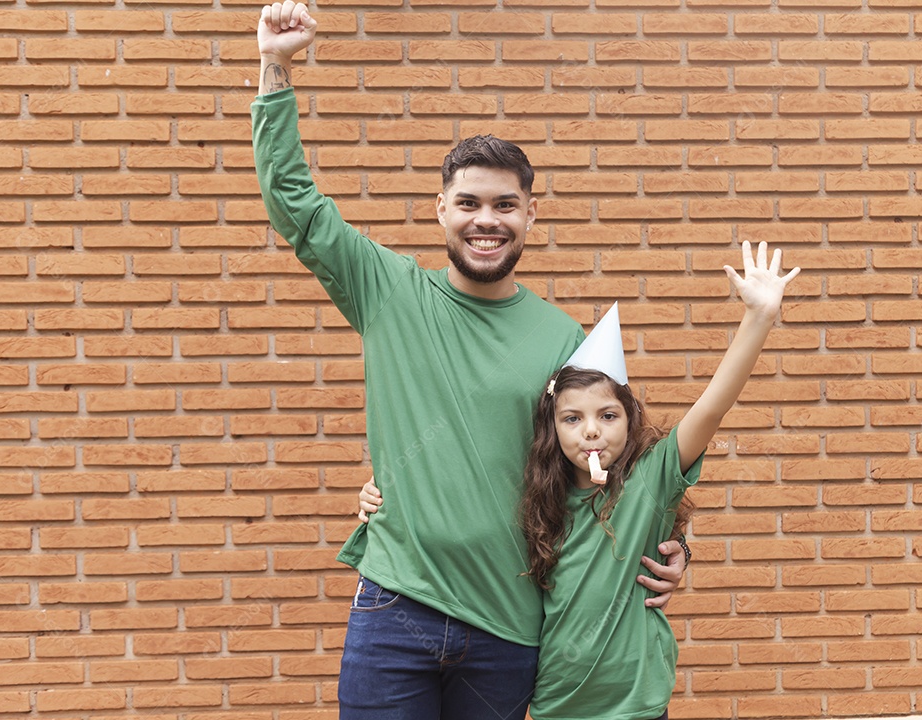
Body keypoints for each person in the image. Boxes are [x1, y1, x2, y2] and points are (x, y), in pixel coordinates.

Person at [252, 4, 689, 718]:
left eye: (504, 205)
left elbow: (614, 470)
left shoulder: (562, 340)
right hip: (395, 608)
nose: (486, 219)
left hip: (510, 625)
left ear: (530, 216)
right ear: (440, 210)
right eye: (469, 203)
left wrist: (673, 550)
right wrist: (276, 68)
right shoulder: (386, 291)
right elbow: (294, 203)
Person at [360, 243, 800, 720]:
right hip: (556, 705)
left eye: (607, 415)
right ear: (553, 428)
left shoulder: (648, 482)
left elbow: (713, 406)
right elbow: (464, 481)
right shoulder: (539, 500)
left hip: (635, 705)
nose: (591, 429)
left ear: (629, 420)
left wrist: (758, 319)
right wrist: (386, 492)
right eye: (573, 418)